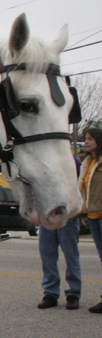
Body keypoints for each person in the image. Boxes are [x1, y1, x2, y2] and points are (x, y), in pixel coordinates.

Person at [38, 156, 81, 310]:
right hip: (46, 214)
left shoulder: (72, 161)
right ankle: (50, 293)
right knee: (47, 255)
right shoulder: (41, 161)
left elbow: (77, 186)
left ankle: (74, 293)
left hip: (67, 215)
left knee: (71, 255)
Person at [80, 127, 102, 314]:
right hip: (93, 217)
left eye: (89, 139)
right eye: (85, 138)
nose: (86, 142)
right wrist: (85, 213)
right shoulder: (88, 162)